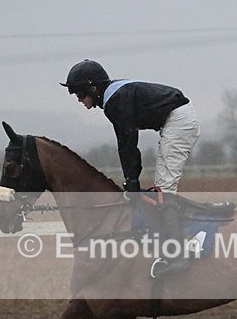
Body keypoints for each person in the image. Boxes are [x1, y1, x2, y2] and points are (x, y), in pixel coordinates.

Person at [61, 59, 200, 276]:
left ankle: (179, 257)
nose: (79, 100)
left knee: (165, 189)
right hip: (175, 119)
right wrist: (131, 182)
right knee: (161, 188)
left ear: (93, 87)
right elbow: (127, 144)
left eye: (80, 94)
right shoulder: (114, 96)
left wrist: (132, 182)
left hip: (179, 120)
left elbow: (127, 143)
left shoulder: (115, 100)